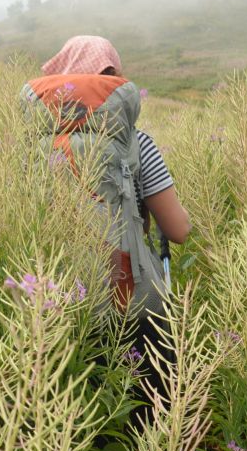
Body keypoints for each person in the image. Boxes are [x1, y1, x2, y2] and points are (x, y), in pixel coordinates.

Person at [25, 35, 191, 430]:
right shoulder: (138, 143)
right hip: (127, 298)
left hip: (51, 298)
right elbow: (178, 231)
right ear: (116, 81)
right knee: (153, 420)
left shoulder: (31, 148)